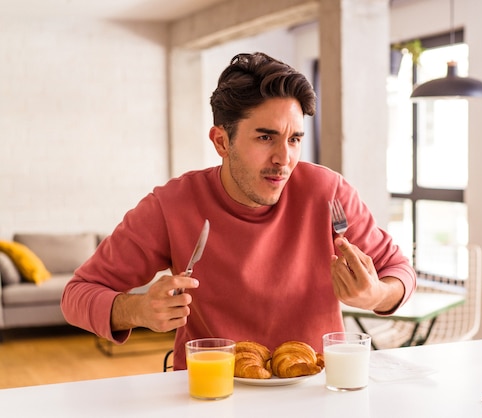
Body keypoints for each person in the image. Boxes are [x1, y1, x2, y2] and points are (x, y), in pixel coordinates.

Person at [61, 52, 416, 370]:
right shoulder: (172, 205)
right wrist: (137, 311)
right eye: (265, 137)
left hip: (313, 388)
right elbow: (77, 294)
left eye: (294, 139)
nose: (284, 159)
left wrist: (377, 295)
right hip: (213, 392)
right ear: (221, 142)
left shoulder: (328, 192)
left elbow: (398, 269)